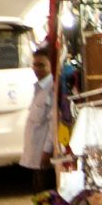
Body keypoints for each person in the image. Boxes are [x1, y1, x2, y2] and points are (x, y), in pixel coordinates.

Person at [22, 45, 57, 174]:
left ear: (51, 66)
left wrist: (46, 152)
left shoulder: (52, 90)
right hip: (35, 157)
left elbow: (53, 125)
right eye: (35, 65)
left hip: (44, 158)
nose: (36, 69)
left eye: (41, 65)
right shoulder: (40, 88)